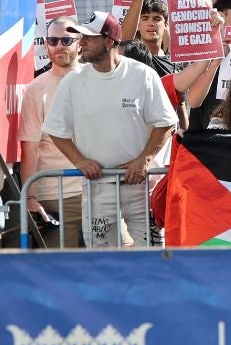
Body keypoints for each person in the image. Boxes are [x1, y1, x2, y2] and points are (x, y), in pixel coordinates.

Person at [42, 12, 177, 247]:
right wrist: (79, 161)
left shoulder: (142, 74)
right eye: (80, 37)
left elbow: (165, 122)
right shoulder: (73, 81)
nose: (81, 43)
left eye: (88, 38)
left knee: (148, 262)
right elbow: (55, 129)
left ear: (109, 41)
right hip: (98, 188)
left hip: (139, 189)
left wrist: (144, 159)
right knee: (103, 263)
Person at [19, 18, 84, 247]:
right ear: (46, 45)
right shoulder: (36, 89)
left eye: (66, 40)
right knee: (59, 272)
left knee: (108, 268)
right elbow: (30, 149)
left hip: (99, 190)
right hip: (54, 196)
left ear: (80, 43)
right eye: (53, 40)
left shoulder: (95, 79)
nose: (59, 46)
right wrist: (30, 198)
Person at [119, 0, 175, 76]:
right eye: (145, 18)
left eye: (156, 19)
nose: (151, 23)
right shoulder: (134, 56)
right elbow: (124, 41)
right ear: (138, 26)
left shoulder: (176, 62)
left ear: (166, 24)